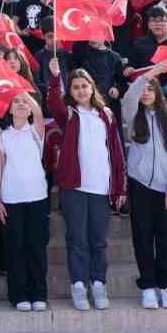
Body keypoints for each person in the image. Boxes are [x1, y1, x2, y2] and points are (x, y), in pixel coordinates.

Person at [44, 55, 127, 311]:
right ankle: (79, 284)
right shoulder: (68, 114)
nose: (80, 90)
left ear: (92, 88)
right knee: (76, 239)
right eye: (75, 86)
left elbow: (116, 152)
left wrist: (120, 186)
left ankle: (98, 283)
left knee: (98, 240)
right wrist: (56, 77)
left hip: (100, 187)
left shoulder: (107, 115)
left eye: (84, 85)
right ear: (71, 91)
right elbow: (53, 102)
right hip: (75, 187)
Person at [120, 66, 167, 309]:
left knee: (165, 239)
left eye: (150, 88)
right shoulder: (133, 115)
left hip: (165, 189)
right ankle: (147, 286)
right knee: (143, 238)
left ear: (158, 93)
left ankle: (165, 286)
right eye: (143, 89)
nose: (146, 92)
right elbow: (128, 97)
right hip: (140, 186)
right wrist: (148, 74)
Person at [0, 92, 51, 311]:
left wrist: (22, 92)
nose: (21, 105)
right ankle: (19, 294)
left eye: (25, 102)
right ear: (9, 109)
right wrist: (0, 199)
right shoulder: (3, 135)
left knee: (36, 248)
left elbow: (40, 114)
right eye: (16, 102)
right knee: (16, 248)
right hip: (12, 198)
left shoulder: (35, 131)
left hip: (37, 197)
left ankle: (38, 293)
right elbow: (0, 167)